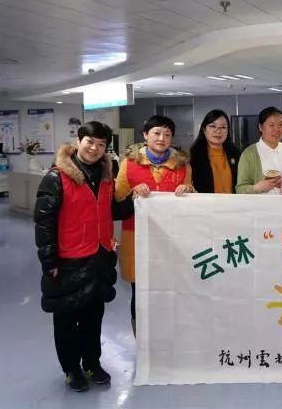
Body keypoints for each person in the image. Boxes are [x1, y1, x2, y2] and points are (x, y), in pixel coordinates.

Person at [34, 121, 134, 392]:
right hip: (68, 259)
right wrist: (49, 261)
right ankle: (71, 369)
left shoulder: (106, 176)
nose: (94, 148)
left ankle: (92, 363)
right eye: (90, 142)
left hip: (99, 258)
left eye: (101, 144)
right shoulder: (56, 178)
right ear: (78, 141)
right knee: (66, 319)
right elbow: (44, 223)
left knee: (93, 316)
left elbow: (112, 210)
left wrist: (136, 199)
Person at [115, 115, 193, 336]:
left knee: (170, 289)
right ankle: (142, 340)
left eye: (167, 134)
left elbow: (191, 197)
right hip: (136, 236)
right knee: (139, 291)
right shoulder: (129, 163)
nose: (161, 138)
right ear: (145, 135)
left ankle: (168, 337)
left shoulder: (182, 165)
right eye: (157, 133)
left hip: (171, 238)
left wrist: (188, 191)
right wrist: (133, 192)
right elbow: (118, 198)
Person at [236, 107, 282, 194]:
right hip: (262, 202)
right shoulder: (249, 154)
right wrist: (257, 188)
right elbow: (240, 189)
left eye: (281, 124)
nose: (277, 129)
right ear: (261, 127)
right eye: (271, 125)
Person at [190, 109, 241, 193]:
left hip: (232, 200)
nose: (218, 131)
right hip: (205, 201)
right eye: (213, 126)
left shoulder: (236, 153)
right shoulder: (194, 154)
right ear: (204, 130)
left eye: (223, 127)